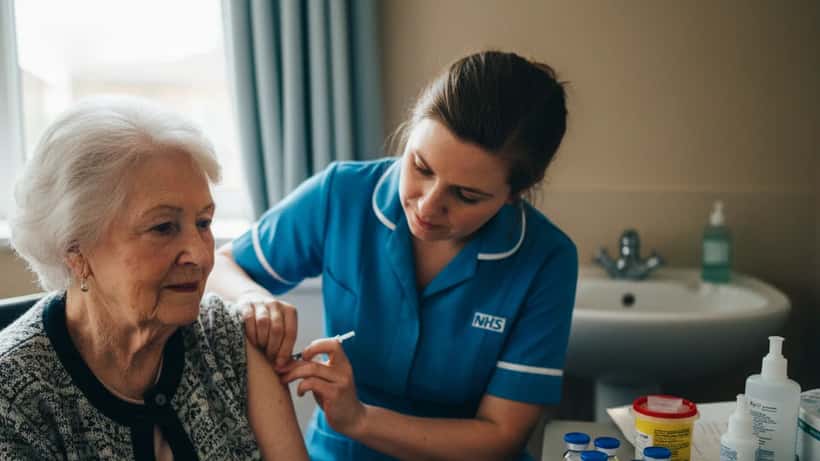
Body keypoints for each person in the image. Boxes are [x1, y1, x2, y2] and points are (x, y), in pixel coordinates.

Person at [208, 50, 578, 461]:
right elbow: (222, 266)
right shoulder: (341, 194)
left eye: (466, 195)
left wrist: (361, 420)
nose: (428, 206)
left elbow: (500, 434)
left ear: (515, 194)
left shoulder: (547, 259)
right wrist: (252, 299)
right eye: (420, 167)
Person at [1, 96, 309, 460]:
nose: (199, 254)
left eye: (204, 223)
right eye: (163, 227)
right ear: (76, 249)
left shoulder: (228, 339)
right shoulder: (13, 398)